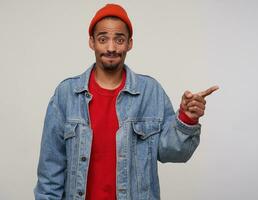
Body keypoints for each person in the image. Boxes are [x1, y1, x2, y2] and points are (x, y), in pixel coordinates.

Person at [34, 3, 218, 200]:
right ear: (91, 42)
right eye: (103, 39)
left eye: (119, 39)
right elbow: (50, 170)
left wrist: (187, 119)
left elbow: (172, 153)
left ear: (130, 43)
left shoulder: (150, 91)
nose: (111, 48)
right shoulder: (66, 94)